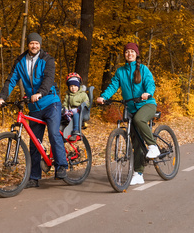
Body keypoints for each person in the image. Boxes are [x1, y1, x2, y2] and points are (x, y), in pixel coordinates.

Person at [0, 32, 68, 188]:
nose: (34, 46)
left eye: (37, 43)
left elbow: (49, 78)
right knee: (34, 142)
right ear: (27, 45)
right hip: (34, 106)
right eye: (31, 43)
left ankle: (61, 165)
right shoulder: (20, 61)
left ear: (40, 45)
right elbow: (11, 79)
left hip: (50, 102)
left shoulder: (47, 59)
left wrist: (40, 93)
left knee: (53, 132)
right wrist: (2, 97)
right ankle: (34, 177)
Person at [96, 42, 160, 185]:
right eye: (127, 52)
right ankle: (138, 173)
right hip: (130, 107)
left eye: (132, 51)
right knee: (135, 140)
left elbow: (151, 83)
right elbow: (113, 86)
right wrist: (104, 97)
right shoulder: (120, 71)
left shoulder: (143, 69)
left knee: (139, 120)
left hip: (147, 104)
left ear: (136, 54)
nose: (129, 54)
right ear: (124, 55)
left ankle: (153, 146)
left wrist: (148, 93)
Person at [62, 72, 89, 141]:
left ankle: (75, 131)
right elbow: (65, 103)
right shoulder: (68, 95)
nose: (73, 88)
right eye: (71, 86)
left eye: (75, 86)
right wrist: (65, 109)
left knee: (76, 115)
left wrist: (80, 107)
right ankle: (61, 131)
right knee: (61, 115)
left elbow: (86, 103)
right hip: (70, 111)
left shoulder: (83, 94)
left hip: (79, 111)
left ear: (78, 86)